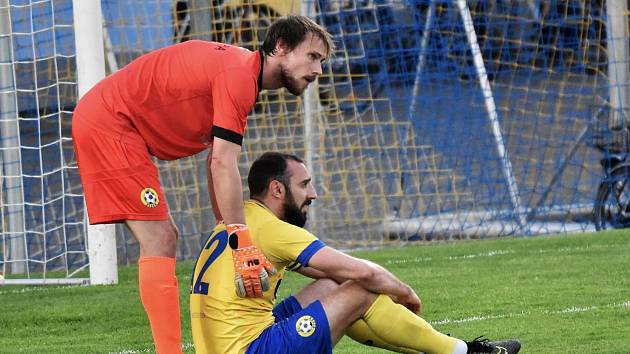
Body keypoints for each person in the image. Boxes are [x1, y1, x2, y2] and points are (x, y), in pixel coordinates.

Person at [72, 16, 335, 353]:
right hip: (110, 124)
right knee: (160, 238)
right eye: (312, 57)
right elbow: (223, 163)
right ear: (281, 48)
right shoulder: (238, 76)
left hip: (114, 123)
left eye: (322, 62)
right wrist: (240, 241)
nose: (319, 71)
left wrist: (227, 230)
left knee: (164, 237)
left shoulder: (241, 73)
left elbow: (217, 163)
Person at [190, 152, 522, 354]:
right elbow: (363, 274)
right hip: (255, 350)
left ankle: (438, 348)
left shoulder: (238, 219)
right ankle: (461, 352)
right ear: (277, 189)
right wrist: (407, 294)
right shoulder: (274, 231)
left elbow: (334, 274)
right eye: (305, 184)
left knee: (333, 286)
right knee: (360, 289)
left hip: (238, 343)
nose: (314, 194)